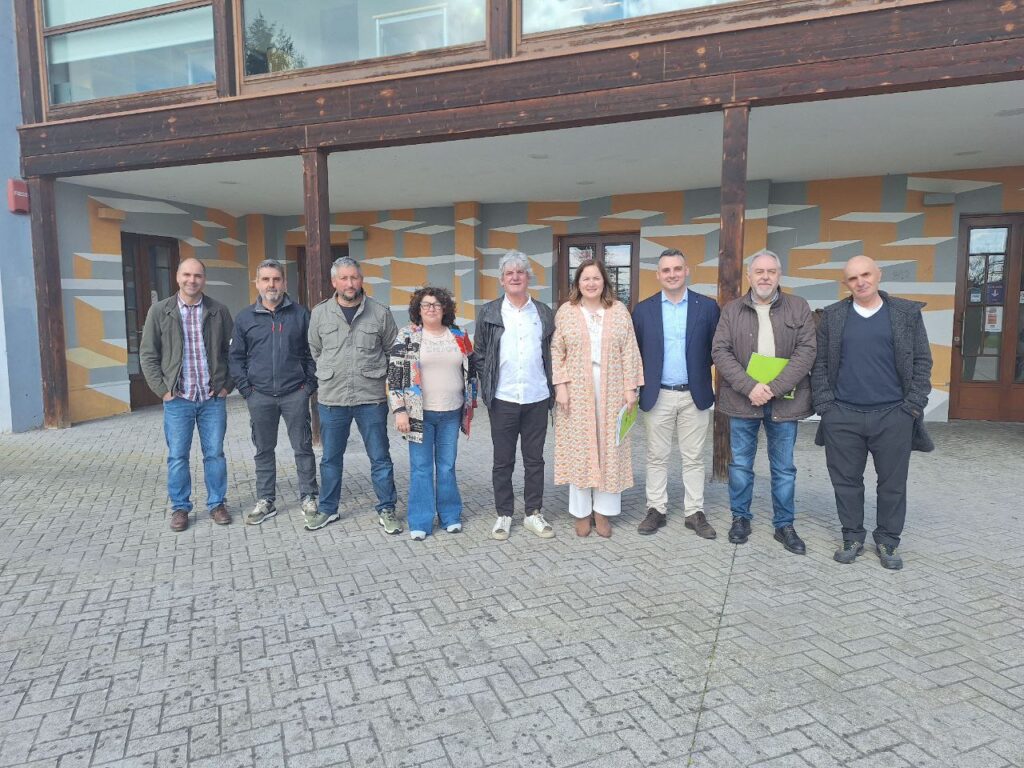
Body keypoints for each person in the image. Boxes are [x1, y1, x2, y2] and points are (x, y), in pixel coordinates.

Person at [812, 255, 933, 570]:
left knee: (892, 484)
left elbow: (922, 360)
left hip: (894, 415)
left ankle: (888, 541)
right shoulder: (833, 316)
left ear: (878, 275)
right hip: (843, 415)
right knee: (846, 482)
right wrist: (826, 408)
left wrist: (912, 406)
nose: (860, 282)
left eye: (866, 274)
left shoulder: (905, 314)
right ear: (846, 283)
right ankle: (852, 536)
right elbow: (820, 364)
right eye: (853, 278)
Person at [712, 250, 816, 554]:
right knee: (740, 465)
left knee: (783, 468)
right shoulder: (731, 310)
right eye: (759, 271)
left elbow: (807, 351)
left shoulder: (798, 307)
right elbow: (720, 351)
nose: (765, 277)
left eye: (771, 271)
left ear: (779, 275)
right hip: (742, 401)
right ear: (749, 276)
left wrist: (773, 388)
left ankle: (784, 525)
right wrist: (750, 387)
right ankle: (740, 518)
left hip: (785, 402)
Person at [139, 257, 233, 532]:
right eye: (187, 275)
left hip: (212, 398)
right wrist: (162, 390)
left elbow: (234, 352)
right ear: (178, 277)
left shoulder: (218, 311)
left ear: (204, 279)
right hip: (178, 399)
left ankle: (217, 504)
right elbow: (148, 354)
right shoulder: (160, 311)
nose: (192, 280)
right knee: (178, 457)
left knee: (215, 454)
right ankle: (180, 508)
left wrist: (227, 385)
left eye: (198, 275)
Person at [632, 249, 720, 538]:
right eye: (666, 270)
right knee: (656, 456)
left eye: (677, 269)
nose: (672, 274)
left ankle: (694, 512)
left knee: (693, 457)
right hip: (658, 394)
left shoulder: (707, 307)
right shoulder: (643, 311)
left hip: (694, 393)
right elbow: (636, 353)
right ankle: (656, 509)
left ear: (687, 271)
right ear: (658, 275)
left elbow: (716, 349)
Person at [552, 259, 643, 538]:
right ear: (578, 283)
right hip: (577, 386)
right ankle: (581, 512)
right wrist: (561, 386)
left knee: (610, 447)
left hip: (612, 385)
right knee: (580, 447)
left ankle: (603, 511)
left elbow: (630, 350)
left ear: (604, 281)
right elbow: (557, 351)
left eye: (596, 278)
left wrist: (630, 388)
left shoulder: (618, 311)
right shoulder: (566, 312)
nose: (591, 283)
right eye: (585, 278)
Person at [308, 257, 400, 533]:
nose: (350, 283)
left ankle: (387, 508)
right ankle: (328, 509)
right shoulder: (319, 313)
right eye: (344, 278)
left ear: (361, 280)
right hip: (332, 398)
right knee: (330, 459)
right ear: (334, 282)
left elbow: (393, 352)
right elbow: (315, 350)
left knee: (380, 457)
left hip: (370, 398)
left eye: (354, 277)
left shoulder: (380, 313)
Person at [473, 251, 556, 541]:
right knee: (503, 460)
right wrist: (488, 385)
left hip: (537, 396)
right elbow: (480, 354)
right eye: (509, 273)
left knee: (535, 460)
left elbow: (552, 353)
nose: (515, 277)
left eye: (520, 272)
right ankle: (504, 514)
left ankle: (533, 513)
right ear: (501, 280)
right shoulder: (489, 312)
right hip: (503, 397)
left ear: (528, 277)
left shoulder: (543, 312)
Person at [229, 259, 318, 525]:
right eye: (266, 279)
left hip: (294, 394)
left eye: (276, 279)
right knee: (263, 449)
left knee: (302, 447)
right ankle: (266, 500)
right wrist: (247, 390)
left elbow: (314, 353)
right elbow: (235, 357)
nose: (271, 284)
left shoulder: (301, 315)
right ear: (257, 283)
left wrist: (308, 386)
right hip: (260, 395)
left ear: (284, 283)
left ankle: (308, 496)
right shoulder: (245, 318)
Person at [387, 287, 476, 540]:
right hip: (419, 415)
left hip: (451, 412)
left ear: (445, 308)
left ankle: (450, 516)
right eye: (426, 304)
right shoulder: (407, 336)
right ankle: (420, 521)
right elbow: (395, 376)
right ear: (418, 309)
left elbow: (471, 370)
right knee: (421, 468)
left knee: (447, 466)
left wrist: (470, 406)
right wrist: (399, 411)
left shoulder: (459, 334)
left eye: (437, 304)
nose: (431, 309)